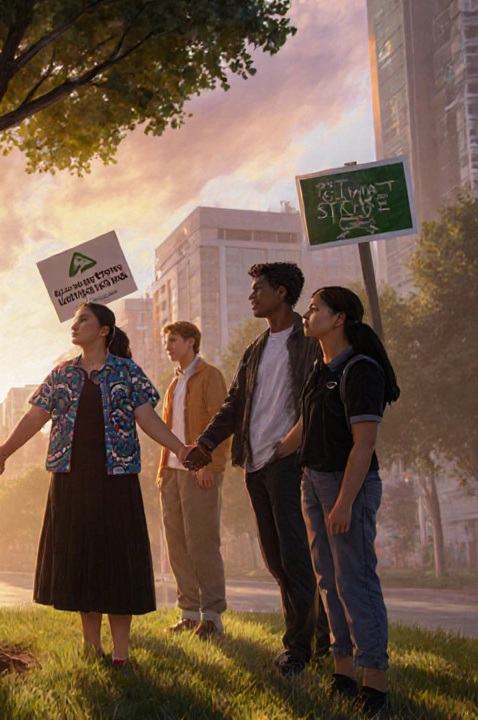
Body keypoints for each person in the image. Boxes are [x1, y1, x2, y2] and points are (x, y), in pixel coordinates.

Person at [0, 303, 190, 668]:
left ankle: (121, 655)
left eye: (84, 320)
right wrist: (2, 452)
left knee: (118, 563)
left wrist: (180, 448)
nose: (75, 325)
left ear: (104, 330)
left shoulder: (127, 372)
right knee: (83, 562)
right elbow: (34, 417)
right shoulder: (62, 374)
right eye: (75, 319)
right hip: (70, 480)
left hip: (118, 478)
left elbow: (147, 418)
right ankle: (91, 648)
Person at [184, 262, 332, 677]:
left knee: (295, 558)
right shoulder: (256, 348)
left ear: (282, 293)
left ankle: (298, 649)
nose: (252, 295)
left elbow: (321, 398)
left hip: (290, 462)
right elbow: (234, 405)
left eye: (258, 288)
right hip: (257, 465)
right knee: (276, 560)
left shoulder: (309, 341)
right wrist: (206, 442)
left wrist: (294, 447)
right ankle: (321, 637)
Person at [275, 287, 398, 717]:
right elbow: (305, 424)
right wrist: (271, 452)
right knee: (328, 580)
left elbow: (364, 444)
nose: (307, 315)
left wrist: (345, 502)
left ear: (339, 318)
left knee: (355, 582)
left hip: (348, 485)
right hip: (313, 481)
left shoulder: (360, 369)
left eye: (315, 309)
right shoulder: (319, 366)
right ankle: (343, 672)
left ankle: (375, 684)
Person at [156, 321, 230, 638]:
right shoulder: (174, 383)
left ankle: (212, 616)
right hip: (171, 473)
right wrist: (162, 472)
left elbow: (221, 422)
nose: (168, 346)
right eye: (165, 341)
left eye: (173, 340)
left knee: (202, 543)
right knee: (177, 545)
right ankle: (188, 613)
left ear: (191, 342)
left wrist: (207, 464)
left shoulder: (209, 375)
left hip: (199, 471)